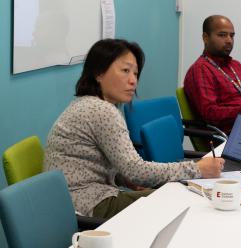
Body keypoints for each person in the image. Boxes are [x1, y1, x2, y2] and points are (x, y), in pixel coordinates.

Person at [44, 38, 224, 219]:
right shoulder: (101, 110)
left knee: (178, 197)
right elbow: (136, 171)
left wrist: (125, 179)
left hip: (76, 199)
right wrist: (198, 169)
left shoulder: (90, 103)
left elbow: (100, 165)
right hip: (85, 204)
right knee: (180, 200)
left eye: (136, 74)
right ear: (99, 73)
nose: (133, 81)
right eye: (125, 71)